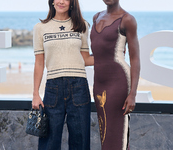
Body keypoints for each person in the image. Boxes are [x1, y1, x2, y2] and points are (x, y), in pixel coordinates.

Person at [32, 0, 94, 149]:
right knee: (49, 143)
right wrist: (35, 94)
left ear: (72, 2)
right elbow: (39, 63)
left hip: (79, 87)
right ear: (52, 2)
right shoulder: (40, 28)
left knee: (80, 141)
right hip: (53, 88)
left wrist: (111, 55)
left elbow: (85, 59)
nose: (61, 1)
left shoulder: (82, 26)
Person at [90, 0, 140, 149]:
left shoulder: (127, 20)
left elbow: (135, 58)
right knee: (106, 133)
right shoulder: (96, 17)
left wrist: (133, 94)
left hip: (118, 82)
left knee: (117, 133)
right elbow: (99, 52)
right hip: (99, 84)